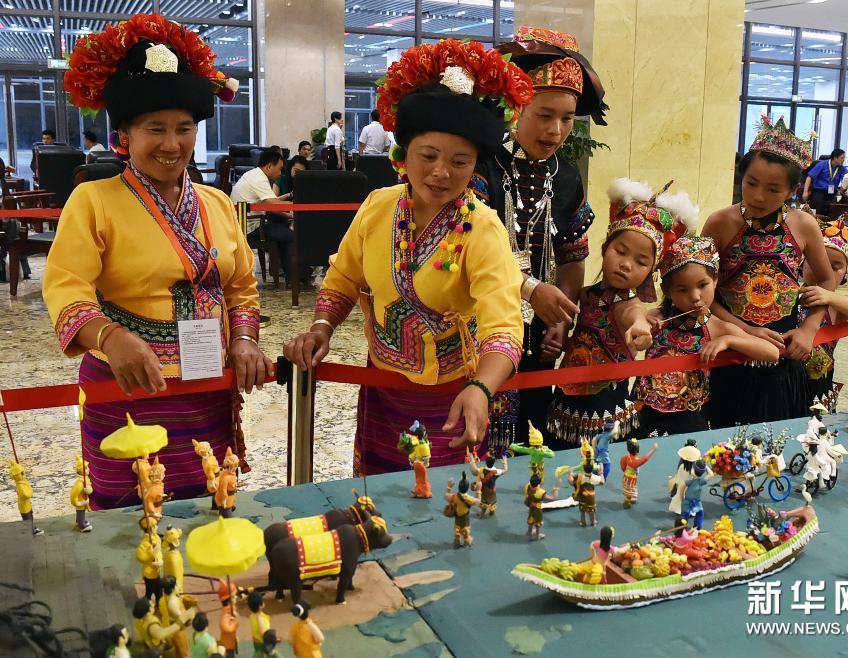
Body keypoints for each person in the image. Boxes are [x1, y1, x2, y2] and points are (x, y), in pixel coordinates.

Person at [44, 14, 272, 510]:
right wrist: (110, 337)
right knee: (131, 518)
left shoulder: (214, 203)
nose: (172, 144)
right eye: (155, 129)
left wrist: (246, 338)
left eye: (183, 129)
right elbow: (66, 288)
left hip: (208, 384)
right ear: (125, 132)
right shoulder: (94, 200)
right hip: (127, 385)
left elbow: (241, 288)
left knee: (212, 505)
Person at [283, 40, 530, 475]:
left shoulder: (483, 228)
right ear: (404, 153)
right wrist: (322, 326)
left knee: (443, 507)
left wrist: (481, 387)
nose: (442, 172)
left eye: (460, 161)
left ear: (475, 166)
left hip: (453, 396)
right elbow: (342, 277)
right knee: (378, 502)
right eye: (428, 156)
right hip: (381, 385)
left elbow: (504, 329)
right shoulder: (379, 206)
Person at [475, 27, 608, 449]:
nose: (555, 130)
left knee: (529, 430)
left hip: (537, 332)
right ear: (517, 108)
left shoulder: (567, 179)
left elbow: (572, 255)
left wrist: (560, 319)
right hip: (478, 320)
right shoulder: (481, 166)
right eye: (544, 114)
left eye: (567, 118)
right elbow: (467, 250)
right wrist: (532, 292)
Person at [702, 116, 835, 428]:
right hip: (728, 349)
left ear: (793, 189)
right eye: (751, 183)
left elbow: (827, 279)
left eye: (773, 189)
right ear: (741, 177)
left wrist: (809, 328)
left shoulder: (803, 224)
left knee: (780, 439)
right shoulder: (720, 223)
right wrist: (743, 331)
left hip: (783, 349)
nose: (759, 196)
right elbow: (703, 291)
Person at [548, 179, 694, 446]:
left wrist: (639, 326)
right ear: (605, 250)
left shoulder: (626, 302)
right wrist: (562, 341)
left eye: (641, 262)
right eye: (620, 251)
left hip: (605, 403)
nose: (626, 265)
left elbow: (634, 314)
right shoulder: (586, 293)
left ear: (651, 271)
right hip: (566, 395)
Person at [634, 236, 780, 436]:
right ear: (668, 291)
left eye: (702, 285)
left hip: (689, 420)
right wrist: (642, 329)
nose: (695, 297)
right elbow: (634, 340)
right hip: (644, 412)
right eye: (683, 289)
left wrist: (729, 340)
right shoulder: (656, 319)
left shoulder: (718, 328)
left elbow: (772, 353)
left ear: (715, 280)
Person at [798, 218, 848, 408]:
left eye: (836, 266)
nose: (825, 270)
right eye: (817, 261)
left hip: (819, 381)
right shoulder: (789, 294)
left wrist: (829, 297)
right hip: (785, 378)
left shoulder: (836, 306)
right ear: (802, 261)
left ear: (846, 272)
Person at [231, 147, 296, 284]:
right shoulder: (259, 179)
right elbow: (272, 203)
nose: (280, 173)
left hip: (248, 222)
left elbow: (269, 205)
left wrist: (289, 215)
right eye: (279, 169)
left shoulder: (255, 175)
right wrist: (298, 206)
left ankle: (288, 276)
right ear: (269, 166)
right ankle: (293, 280)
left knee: (282, 228)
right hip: (248, 227)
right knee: (289, 236)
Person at [802, 148, 847, 214]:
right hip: (819, 190)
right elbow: (809, 177)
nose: (843, 160)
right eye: (842, 158)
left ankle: (833, 219)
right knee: (817, 201)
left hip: (833, 191)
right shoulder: (822, 164)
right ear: (835, 158)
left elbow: (846, 179)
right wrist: (805, 192)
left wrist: (840, 191)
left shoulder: (842, 168)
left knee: (839, 201)